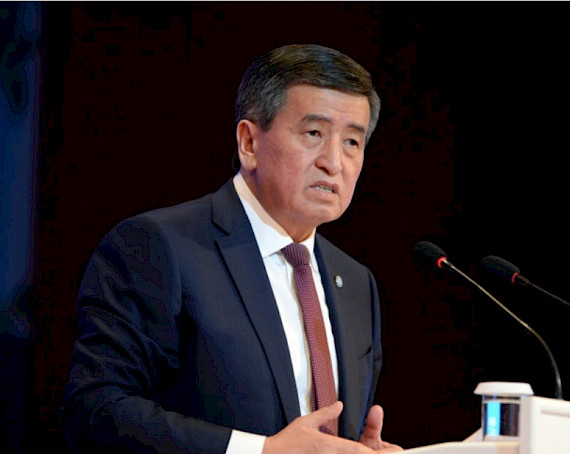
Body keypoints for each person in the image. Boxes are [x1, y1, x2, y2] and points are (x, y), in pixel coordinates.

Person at [60, 43, 401, 454]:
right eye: (314, 133)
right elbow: (96, 411)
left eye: (352, 142)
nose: (334, 162)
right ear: (249, 143)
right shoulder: (159, 248)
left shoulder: (356, 284)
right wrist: (260, 451)